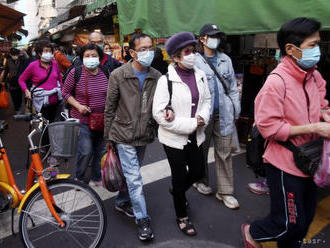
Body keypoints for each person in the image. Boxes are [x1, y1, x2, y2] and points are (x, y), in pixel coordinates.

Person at [241, 17, 330, 248]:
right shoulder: (276, 82)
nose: (317, 51)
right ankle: (252, 232)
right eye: (312, 45)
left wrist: (325, 114)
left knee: (305, 219)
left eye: (318, 44)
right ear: (291, 49)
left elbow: (322, 103)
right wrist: (314, 127)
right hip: (283, 164)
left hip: (310, 160)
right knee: (288, 224)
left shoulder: (314, 75)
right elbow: (268, 127)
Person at [153, 32, 211, 236]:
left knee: (197, 172)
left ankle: (177, 191)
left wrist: (202, 117)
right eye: (187, 52)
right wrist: (191, 123)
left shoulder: (200, 75)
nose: (192, 55)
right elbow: (159, 115)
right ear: (176, 57)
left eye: (193, 51)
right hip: (174, 139)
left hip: (196, 135)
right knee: (179, 177)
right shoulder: (165, 80)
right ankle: (181, 215)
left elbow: (206, 101)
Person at [104, 33, 161, 241]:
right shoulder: (118, 75)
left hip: (144, 134)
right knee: (135, 178)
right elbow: (109, 108)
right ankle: (142, 219)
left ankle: (121, 201)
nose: (148, 53)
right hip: (123, 134)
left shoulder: (157, 76)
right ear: (132, 52)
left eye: (150, 48)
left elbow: (161, 104)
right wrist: (108, 137)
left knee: (132, 173)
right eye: (143, 49)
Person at [194, 24, 241, 209]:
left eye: (218, 36)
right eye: (212, 36)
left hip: (224, 114)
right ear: (202, 38)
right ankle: (201, 181)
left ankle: (226, 192)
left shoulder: (225, 60)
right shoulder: (194, 61)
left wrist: (235, 110)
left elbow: (232, 89)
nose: (216, 39)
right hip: (202, 117)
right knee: (201, 151)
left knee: (224, 153)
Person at [62, 44, 108, 186]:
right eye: (87, 56)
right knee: (86, 151)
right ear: (82, 58)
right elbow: (65, 92)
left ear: (99, 57)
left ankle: (96, 176)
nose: (90, 58)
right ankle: (80, 178)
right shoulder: (75, 73)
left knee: (100, 150)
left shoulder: (105, 72)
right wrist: (79, 106)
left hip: (102, 120)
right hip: (82, 120)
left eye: (94, 55)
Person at [19, 40, 63, 122]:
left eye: (50, 51)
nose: (49, 53)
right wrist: (26, 91)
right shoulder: (33, 65)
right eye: (46, 51)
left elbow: (59, 79)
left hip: (56, 100)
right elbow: (21, 79)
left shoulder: (54, 64)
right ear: (39, 53)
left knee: (56, 124)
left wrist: (63, 91)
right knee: (45, 126)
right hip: (41, 102)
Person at [0, 48, 26, 113]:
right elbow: (6, 71)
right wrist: (3, 80)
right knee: (13, 95)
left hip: (20, 80)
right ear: (11, 55)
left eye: (16, 54)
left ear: (18, 54)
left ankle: (19, 105)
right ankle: (16, 108)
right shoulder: (8, 61)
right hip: (12, 81)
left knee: (19, 94)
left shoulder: (22, 60)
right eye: (13, 54)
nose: (14, 56)